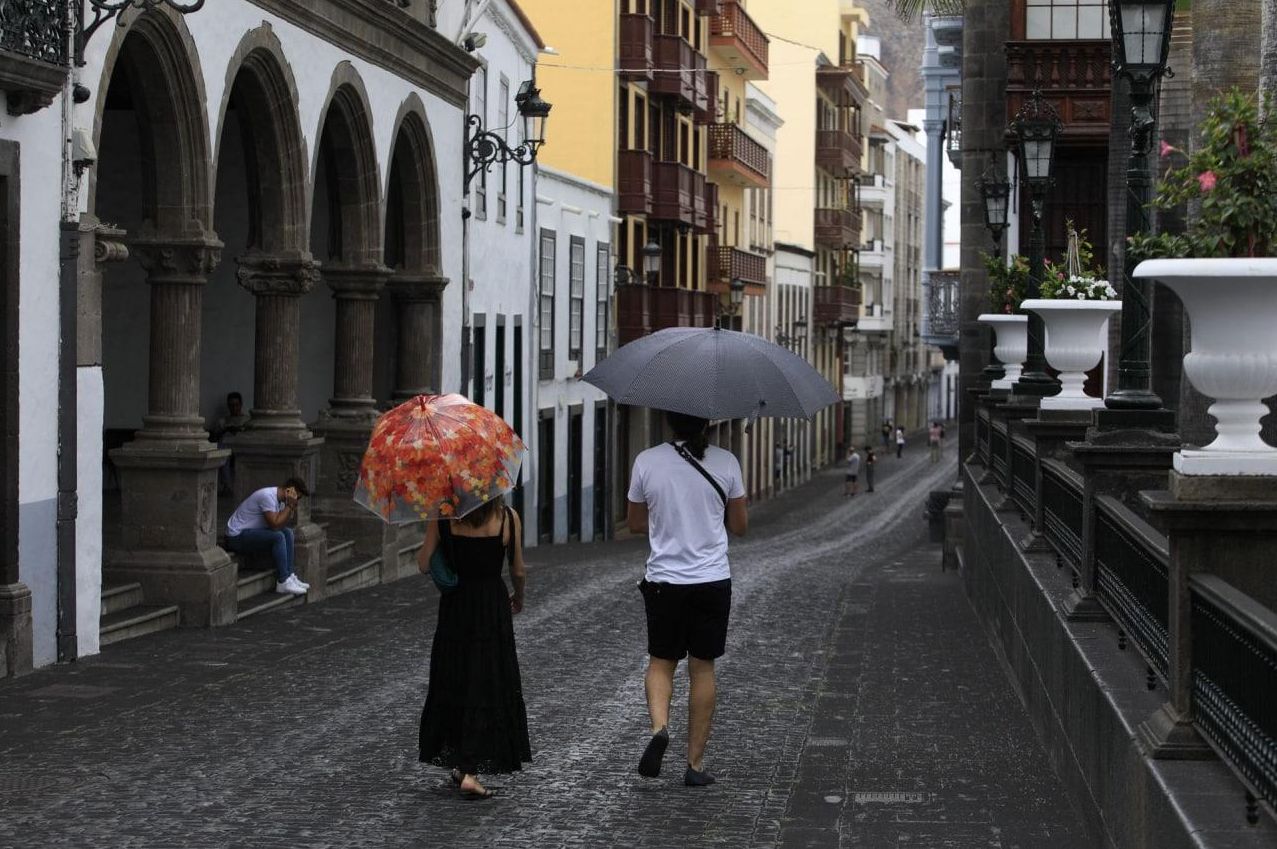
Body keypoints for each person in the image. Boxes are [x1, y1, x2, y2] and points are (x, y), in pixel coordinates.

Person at [628, 411, 748, 787]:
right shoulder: (727, 462)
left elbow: (634, 524)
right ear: (707, 424)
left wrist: (668, 519)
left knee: (661, 661)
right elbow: (740, 526)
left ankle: (660, 727)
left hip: (665, 580)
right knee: (703, 668)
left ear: (667, 422)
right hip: (711, 580)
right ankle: (694, 765)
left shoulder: (646, 461)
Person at [417, 498, 529, 799]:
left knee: (456, 676)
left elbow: (423, 562)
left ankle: (461, 762)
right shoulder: (508, 518)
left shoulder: (443, 515)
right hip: (492, 607)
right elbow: (517, 569)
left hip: (456, 607)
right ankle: (469, 769)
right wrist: (518, 597)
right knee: (486, 680)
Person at [223, 476, 310, 595]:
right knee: (278, 537)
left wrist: (290, 508)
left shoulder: (281, 501)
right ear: (290, 491)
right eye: (298, 497)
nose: (297, 501)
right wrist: (289, 506)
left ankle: (289, 576)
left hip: (250, 532)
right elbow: (274, 525)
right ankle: (283, 581)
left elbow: (281, 525)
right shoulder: (268, 496)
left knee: (288, 532)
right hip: (236, 536)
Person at [213, 392, 249, 496]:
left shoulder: (247, 420)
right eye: (231, 405)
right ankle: (227, 486)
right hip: (226, 446)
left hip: (242, 447)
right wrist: (225, 430)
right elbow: (215, 436)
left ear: (241, 405)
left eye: (236, 405)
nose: (234, 408)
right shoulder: (223, 421)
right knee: (222, 451)